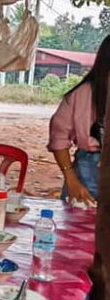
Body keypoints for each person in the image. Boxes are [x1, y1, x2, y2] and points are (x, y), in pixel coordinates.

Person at [48, 34, 110, 206]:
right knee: (78, 229)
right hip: (86, 176)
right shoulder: (81, 94)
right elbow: (58, 139)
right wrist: (72, 180)